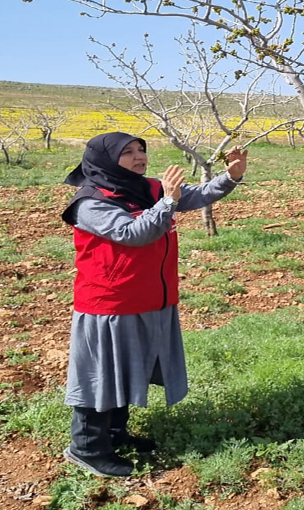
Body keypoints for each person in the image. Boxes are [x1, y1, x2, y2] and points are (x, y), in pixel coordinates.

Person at [60, 132, 247, 477]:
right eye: (128, 152)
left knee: (125, 371)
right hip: (109, 304)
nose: (139, 157)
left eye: (141, 150)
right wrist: (168, 202)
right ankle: (86, 448)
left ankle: (114, 434)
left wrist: (231, 176)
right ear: (105, 160)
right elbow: (134, 234)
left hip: (147, 298)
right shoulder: (90, 202)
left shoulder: (148, 188)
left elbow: (199, 194)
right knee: (101, 375)